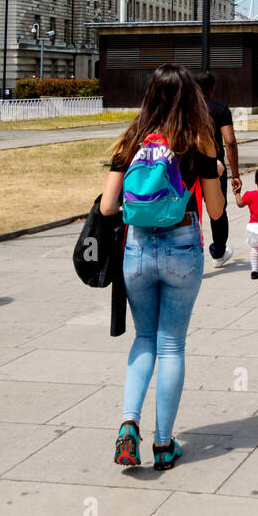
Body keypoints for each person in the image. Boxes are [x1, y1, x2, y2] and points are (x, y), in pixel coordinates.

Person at [103, 63, 225, 471]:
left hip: (136, 250)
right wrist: (216, 173)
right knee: (172, 344)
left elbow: (106, 207)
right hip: (182, 246)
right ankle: (163, 444)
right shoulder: (198, 140)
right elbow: (216, 208)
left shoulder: (131, 138)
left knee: (144, 339)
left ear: (150, 94)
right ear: (191, 97)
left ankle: (128, 423)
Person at [196, 71, 239, 265]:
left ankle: (190, 252)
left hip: (188, 166)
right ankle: (219, 252)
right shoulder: (220, 109)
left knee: (189, 210)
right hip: (215, 166)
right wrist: (235, 174)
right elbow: (230, 142)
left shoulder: (184, 109)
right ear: (212, 89)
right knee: (218, 209)